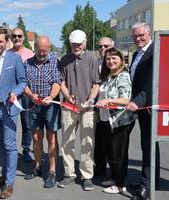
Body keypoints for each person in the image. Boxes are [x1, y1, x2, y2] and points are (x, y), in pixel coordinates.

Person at [0, 28, 27, 199]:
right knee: (0, 145)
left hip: (8, 108)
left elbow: (22, 82)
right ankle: (3, 176)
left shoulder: (14, 59)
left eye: (1, 41)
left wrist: (15, 92)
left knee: (9, 146)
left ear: (6, 42)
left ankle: (9, 183)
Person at [57, 30, 100, 191]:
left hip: (87, 107)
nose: (76, 46)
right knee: (67, 141)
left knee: (87, 142)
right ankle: (69, 174)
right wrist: (68, 96)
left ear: (85, 42)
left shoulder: (91, 58)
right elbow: (61, 82)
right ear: (70, 43)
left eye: (79, 43)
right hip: (69, 106)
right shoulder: (64, 60)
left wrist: (90, 99)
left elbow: (96, 83)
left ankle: (87, 175)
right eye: (73, 43)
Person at [95, 48, 136, 194]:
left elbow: (125, 99)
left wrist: (109, 100)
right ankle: (114, 178)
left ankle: (120, 184)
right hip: (106, 120)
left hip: (119, 121)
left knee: (119, 154)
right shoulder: (109, 76)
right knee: (110, 152)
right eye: (108, 59)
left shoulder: (123, 76)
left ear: (121, 60)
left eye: (114, 58)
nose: (110, 61)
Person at [126, 22, 159, 200]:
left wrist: (137, 102)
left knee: (149, 146)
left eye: (141, 35)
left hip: (147, 106)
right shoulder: (138, 53)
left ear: (148, 34)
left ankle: (147, 187)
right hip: (138, 104)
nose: (138, 38)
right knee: (147, 146)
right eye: (135, 36)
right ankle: (148, 180)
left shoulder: (155, 51)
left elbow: (151, 81)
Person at [22, 36, 61, 188]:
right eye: (40, 50)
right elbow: (23, 83)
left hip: (50, 106)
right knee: (37, 137)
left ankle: (52, 172)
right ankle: (37, 167)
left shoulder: (55, 62)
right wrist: (31, 95)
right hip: (34, 105)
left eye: (45, 50)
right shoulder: (28, 64)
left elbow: (57, 83)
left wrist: (51, 97)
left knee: (51, 138)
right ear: (35, 48)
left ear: (49, 49)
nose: (43, 53)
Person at [8, 27, 35, 162]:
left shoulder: (30, 54)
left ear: (23, 38)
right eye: (14, 36)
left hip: (26, 94)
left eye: (19, 36)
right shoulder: (7, 54)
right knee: (10, 123)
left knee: (27, 124)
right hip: (11, 95)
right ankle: (10, 150)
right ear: (11, 38)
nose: (17, 38)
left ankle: (26, 150)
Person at [94, 36, 115, 177]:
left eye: (106, 46)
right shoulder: (96, 63)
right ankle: (100, 169)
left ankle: (116, 175)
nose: (103, 48)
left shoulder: (116, 63)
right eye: (100, 46)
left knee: (113, 144)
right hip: (98, 109)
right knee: (99, 141)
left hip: (113, 112)